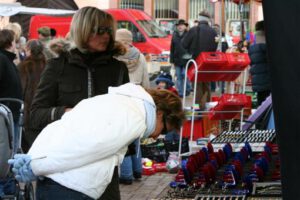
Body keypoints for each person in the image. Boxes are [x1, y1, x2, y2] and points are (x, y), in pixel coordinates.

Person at [8, 83, 185, 200]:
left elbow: (59, 128)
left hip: (58, 182)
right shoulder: (135, 118)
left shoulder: (115, 102)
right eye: (164, 130)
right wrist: (37, 165)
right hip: (72, 188)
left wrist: (35, 160)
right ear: (160, 114)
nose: (156, 136)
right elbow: (88, 148)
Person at [27, 7, 130, 200]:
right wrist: (67, 112)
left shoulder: (118, 69)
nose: (106, 36)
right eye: (99, 30)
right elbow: (35, 115)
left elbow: (127, 116)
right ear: (83, 30)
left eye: (108, 30)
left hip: (104, 175)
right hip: (63, 174)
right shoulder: (58, 66)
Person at [115, 28, 150, 185]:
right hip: (137, 98)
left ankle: (126, 174)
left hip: (120, 98)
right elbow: (146, 80)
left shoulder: (115, 57)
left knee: (123, 138)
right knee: (135, 136)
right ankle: (137, 170)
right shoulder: (140, 56)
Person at [182, 11, 218, 109]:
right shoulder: (214, 31)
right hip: (208, 62)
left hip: (196, 62)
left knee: (197, 85)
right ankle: (207, 106)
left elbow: (184, 44)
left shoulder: (194, 30)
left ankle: (197, 108)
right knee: (206, 85)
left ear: (199, 19)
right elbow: (215, 47)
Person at [18, 39, 46, 152]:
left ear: (28, 50)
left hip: (30, 111)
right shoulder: (48, 64)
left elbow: (20, 89)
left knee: (31, 146)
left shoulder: (24, 66)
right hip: (45, 110)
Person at [0, 29, 23, 150]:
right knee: (7, 151)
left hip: (11, 112)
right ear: (9, 42)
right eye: (15, 41)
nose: (16, 44)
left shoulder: (7, 59)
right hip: (5, 114)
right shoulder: (2, 59)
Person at [248, 20, 271, 106]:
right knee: (267, 103)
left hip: (257, 77)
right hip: (266, 77)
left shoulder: (252, 39)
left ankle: (260, 118)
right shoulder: (265, 40)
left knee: (260, 102)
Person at [170, 19, 192, 98]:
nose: (180, 26)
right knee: (179, 77)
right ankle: (181, 93)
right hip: (177, 60)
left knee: (185, 75)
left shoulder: (189, 34)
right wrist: (171, 60)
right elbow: (172, 48)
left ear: (185, 26)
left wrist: (190, 57)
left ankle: (188, 89)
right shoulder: (174, 35)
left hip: (186, 60)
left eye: (182, 25)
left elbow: (191, 47)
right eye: (178, 25)